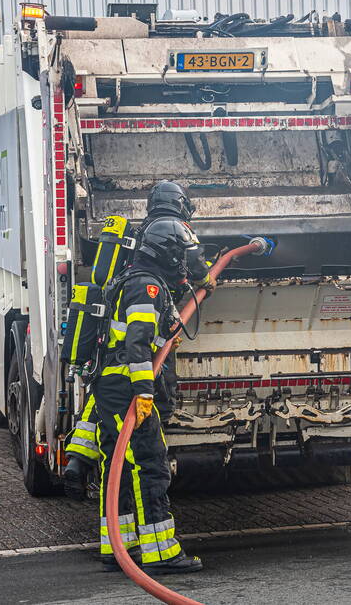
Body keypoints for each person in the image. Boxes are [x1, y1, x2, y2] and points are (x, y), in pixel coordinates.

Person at [63, 181, 213, 499]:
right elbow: (195, 265)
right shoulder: (171, 233)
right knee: (145, 458)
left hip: (114, 351)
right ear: (182, 205)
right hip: (140, 345)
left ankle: (79, 459)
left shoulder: (142, 234)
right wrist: (205, 280)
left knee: (103, 412)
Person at [95, 218, 204, 574]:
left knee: (120, 467)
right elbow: (137, 345)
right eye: (182, 254)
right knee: (150, 465)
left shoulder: (138, 278)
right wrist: (143, 393)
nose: (184, 262)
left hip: (113, 385)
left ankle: (119, 545)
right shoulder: (147, 287)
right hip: (127, 387)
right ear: (168, 254)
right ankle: (160, 552)